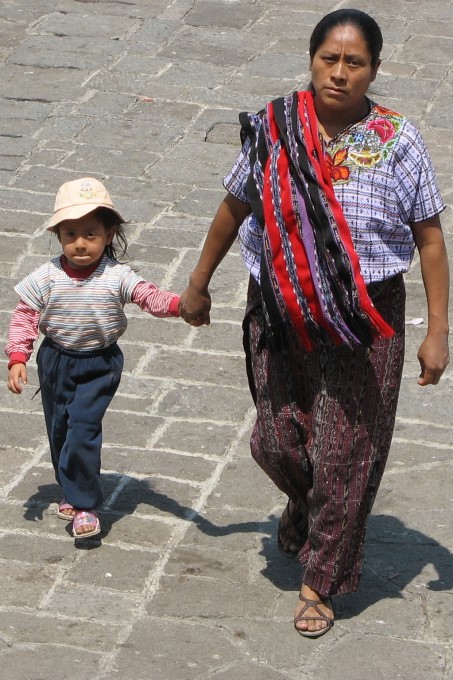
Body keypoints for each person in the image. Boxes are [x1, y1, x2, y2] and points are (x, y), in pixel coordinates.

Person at [179, 9, 450, 637]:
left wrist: (438, 331)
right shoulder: (276, 127)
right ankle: (304, 501)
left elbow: (430, 238)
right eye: (330, 58)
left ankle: (322, 579)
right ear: (311, 59)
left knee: (347, 452)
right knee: (274, 440)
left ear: (374, 70)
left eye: (355, 63)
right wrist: (198, 283)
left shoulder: (399, 140)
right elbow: (235, 204)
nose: (340, 72)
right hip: (278, 304)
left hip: (366, 317)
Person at [5, 177, 181, 540]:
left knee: (82, 430)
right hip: (55, 361)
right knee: (60, 432)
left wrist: (182, 305)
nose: (80, 243)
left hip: (99, 365)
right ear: (58, 236)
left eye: (90, 233)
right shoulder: (46, 277)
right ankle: (70, 487)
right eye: (70, 235)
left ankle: (86, 505)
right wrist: (18, 356)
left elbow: (149, 297)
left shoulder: (117, 276)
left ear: (109, 232)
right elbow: (25, 315)